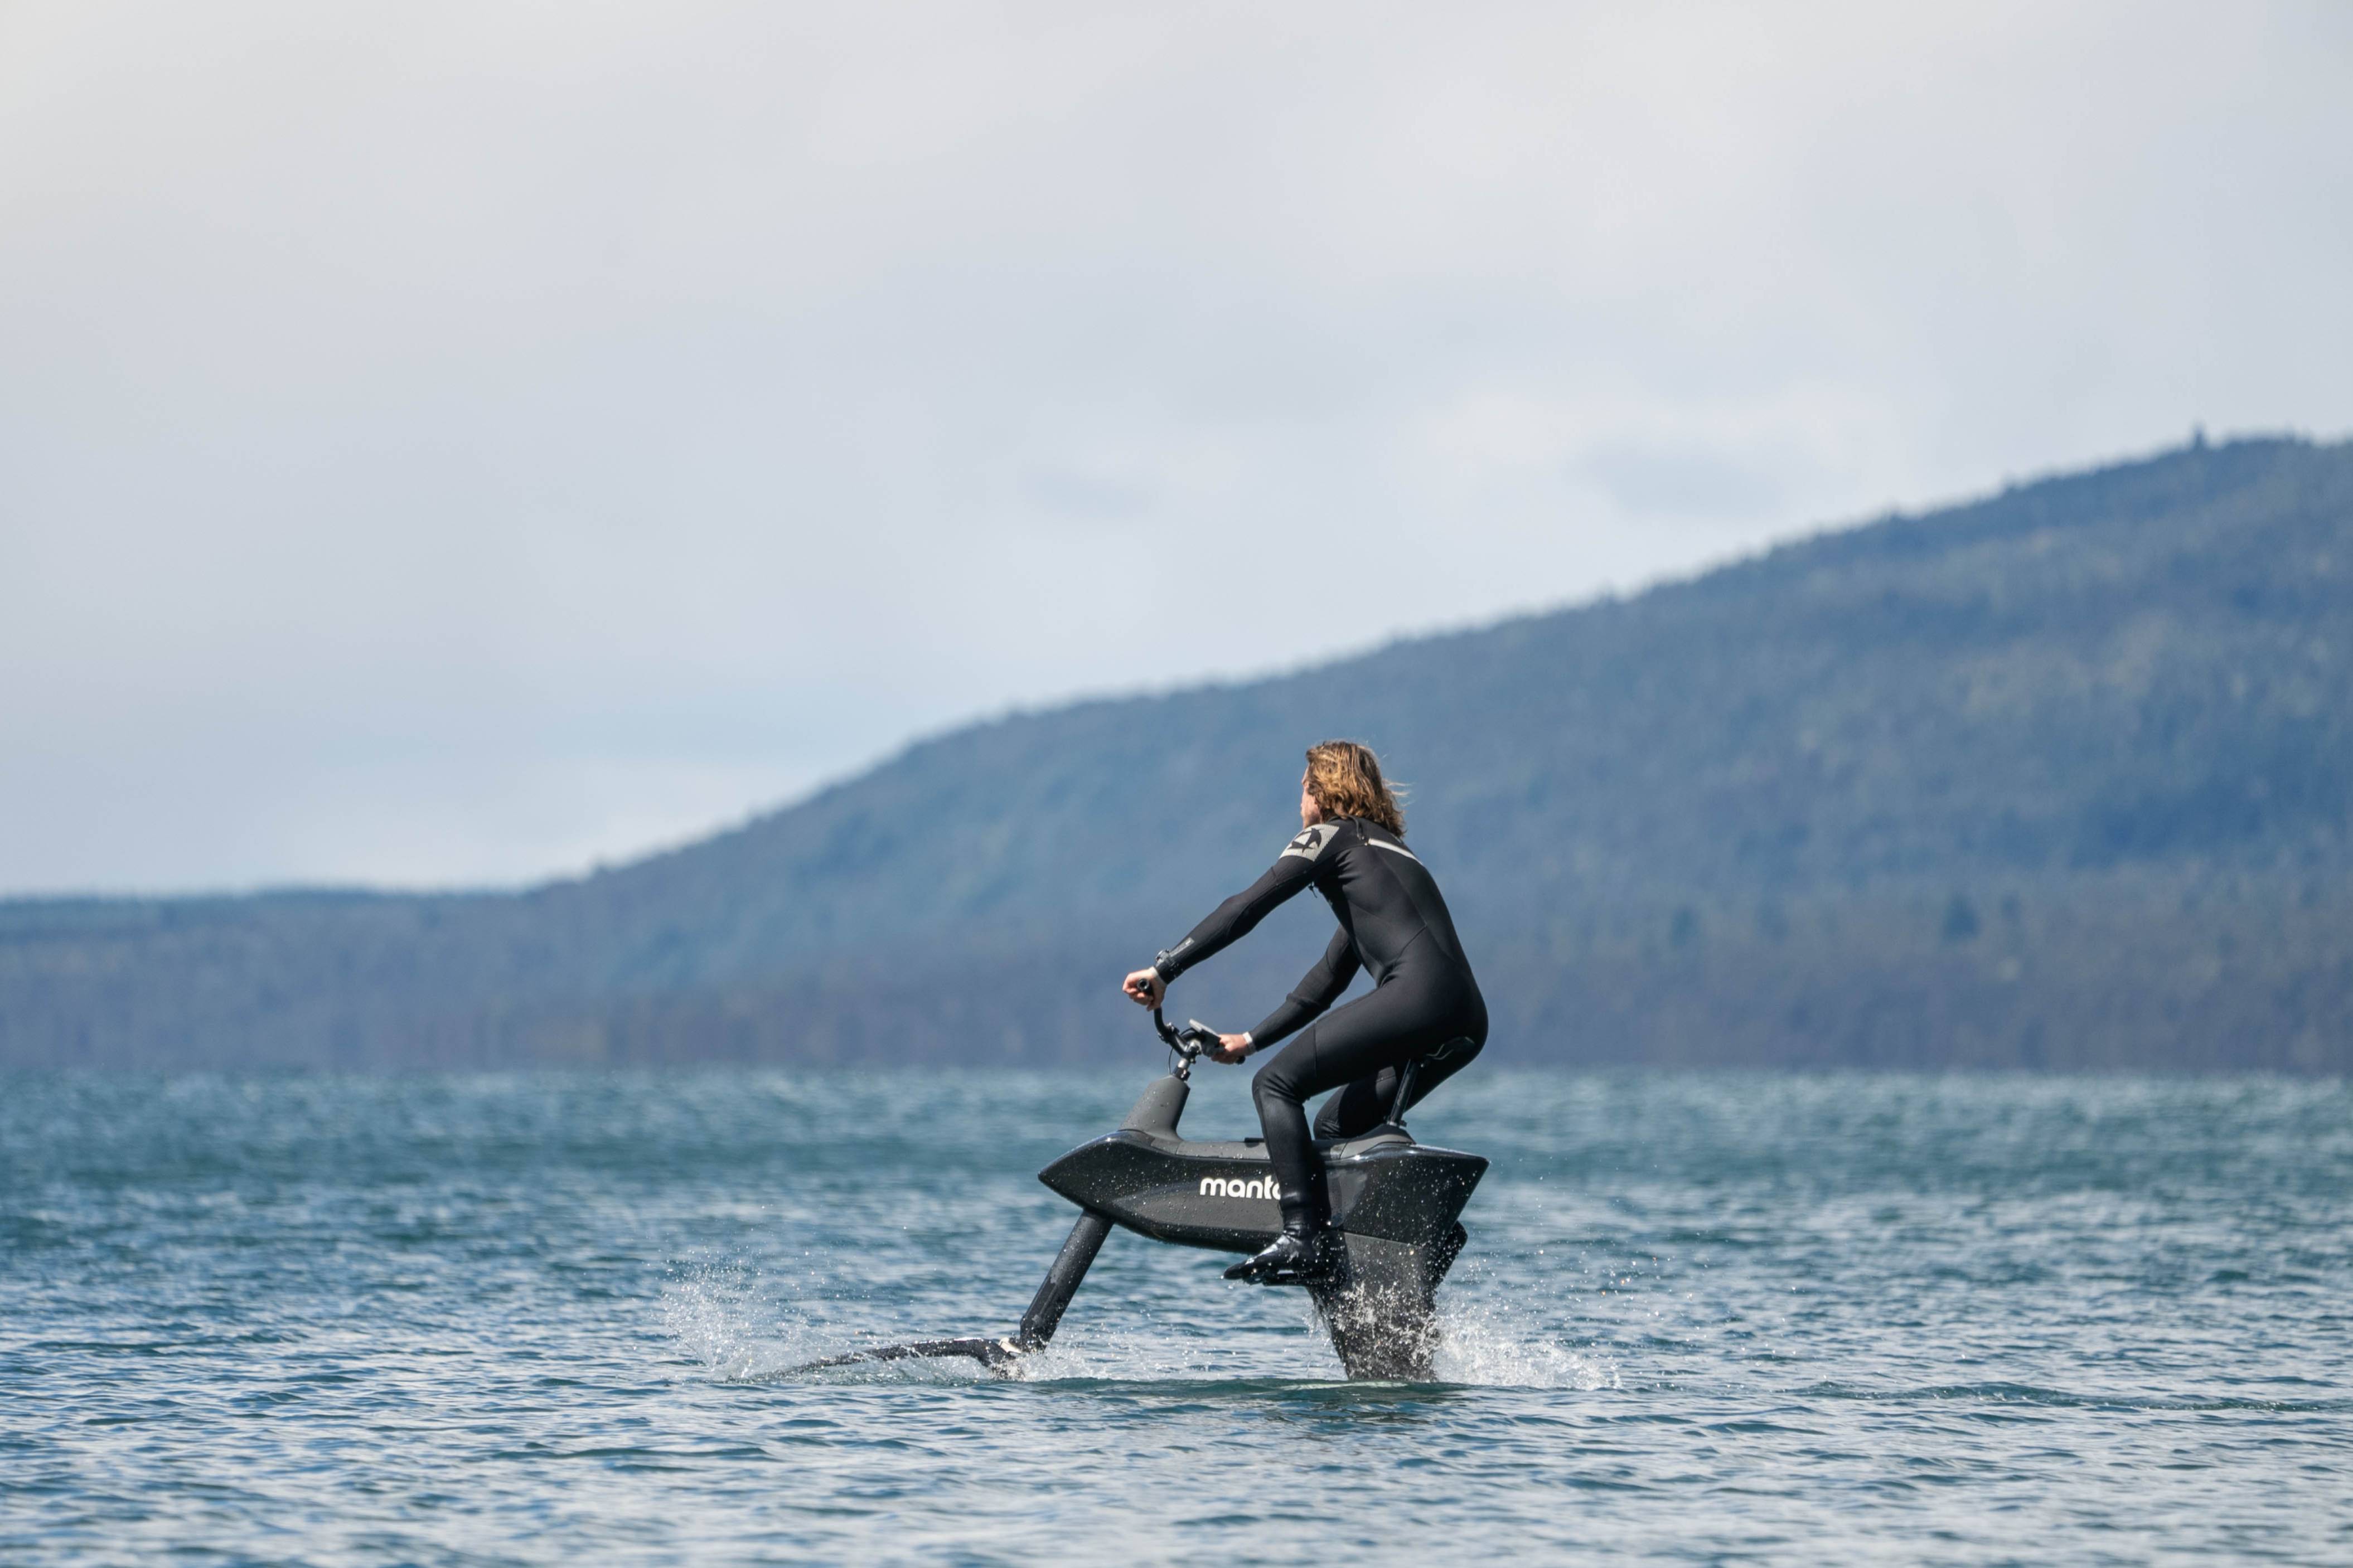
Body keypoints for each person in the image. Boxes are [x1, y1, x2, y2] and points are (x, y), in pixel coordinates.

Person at [1121, 740, 1487, 1283]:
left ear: (1326, 789)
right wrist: (1249, 1037)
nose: (1298, 797)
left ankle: (1302, 1236)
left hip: (1417, 995)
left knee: (1275, 1087)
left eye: (1304, 786)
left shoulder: (1331, 835)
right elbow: (1322, 986)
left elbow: (1246, 906)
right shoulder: (1381, 858)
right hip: (1463, 1016)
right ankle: (1419, 1238)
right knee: (1337, 1123)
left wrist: (1164, 968)